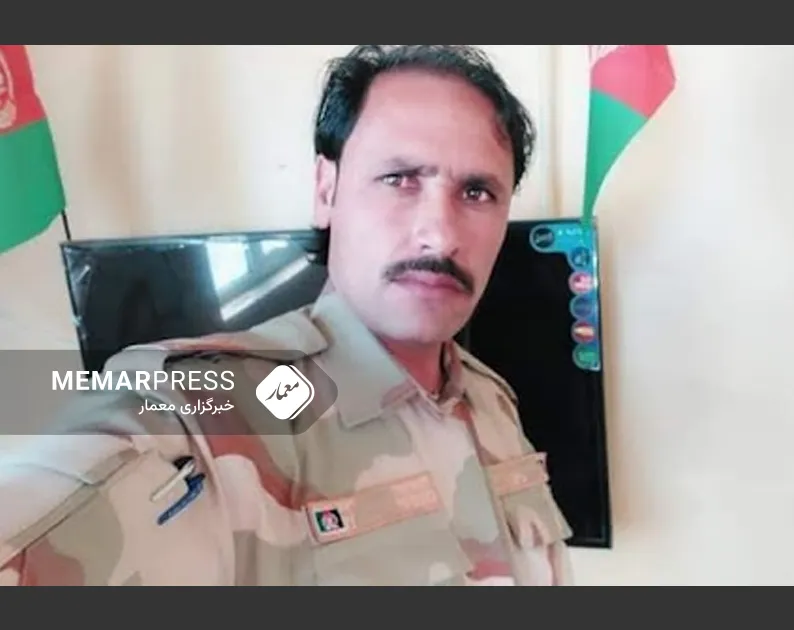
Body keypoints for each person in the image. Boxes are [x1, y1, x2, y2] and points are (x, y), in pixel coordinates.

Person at [0, 45, 574, 586]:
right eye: (399, 179)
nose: (441, 234)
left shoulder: (491, 400)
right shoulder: (215, 410)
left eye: (477, 193)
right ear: (326, 190)